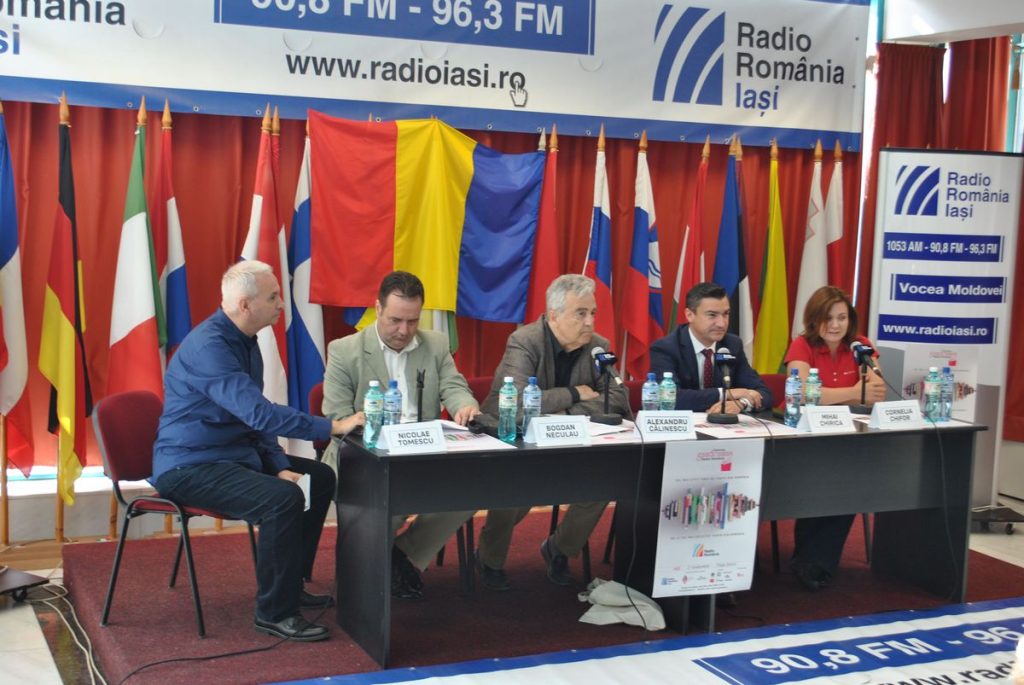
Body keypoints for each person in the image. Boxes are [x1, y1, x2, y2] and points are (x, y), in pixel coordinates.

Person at [153, 260, 364, 643]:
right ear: (245, 304)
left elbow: (254, 419)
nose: (282, 303)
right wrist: (332, 426)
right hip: (189, 466)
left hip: (232, 456)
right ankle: (274, 612)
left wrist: (278, 463)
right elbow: (260, 414)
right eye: (273, 296)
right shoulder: (210, 347)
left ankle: (291, 585)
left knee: (319, 477)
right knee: (282, 499)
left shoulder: (245, 340)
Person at [322, 271, 481, 600]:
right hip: (365, 459)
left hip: (421, 454)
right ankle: (367, 575)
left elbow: (453, 386)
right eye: (395, 320)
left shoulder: (435, 344)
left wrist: (465, 406)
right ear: (378, 309)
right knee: (388, 502)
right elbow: (336, 417)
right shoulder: (344, 351)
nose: (404, 331)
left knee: (469, 491)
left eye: (412, 321)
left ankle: (401, 555)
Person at [475, 274, 630, 591]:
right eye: (580, 313)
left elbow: (616, 399)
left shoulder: (598, 346)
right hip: (514, 439)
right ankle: (489, 558)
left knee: (602, 483)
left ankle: (559, 548)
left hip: (569, 441)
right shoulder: (524, 341)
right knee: (513, 487)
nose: (590, 322)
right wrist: (574, 393)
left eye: (592, 313)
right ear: (554, 315)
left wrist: (564, 414)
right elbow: (518, 403)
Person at [784, 285, 885, 590]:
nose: (835, 325)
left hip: (850, 439)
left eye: (842, 317)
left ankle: (814, 563)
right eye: (828, 318)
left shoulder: (861, 346)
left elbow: (876, 392)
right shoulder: (802, 345)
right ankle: (812, 563)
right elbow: (802, 393)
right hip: (806, 439)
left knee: (849, 484)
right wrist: (853, 392)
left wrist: (830, 396)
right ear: (814, 319)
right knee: (822, 481)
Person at [650, 282, 771, 413]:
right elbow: (669, 399)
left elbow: (763, 393)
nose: (721, 323)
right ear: (690, 315)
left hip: (722, 425)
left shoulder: (732, 345)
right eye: (712, 315)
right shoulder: (665, 348)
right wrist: (725, 394)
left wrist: (742, 403)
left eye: (726, 314)